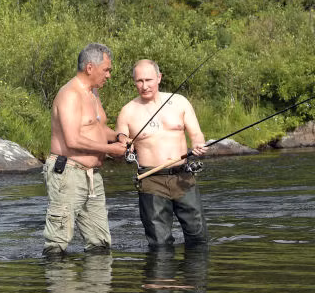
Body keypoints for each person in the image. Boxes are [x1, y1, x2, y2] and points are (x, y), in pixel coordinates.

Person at [43, 43, 129, 255]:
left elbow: (98, 128)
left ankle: (96, 288)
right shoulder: (70, 94)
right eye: (106, 69)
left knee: (100, 243)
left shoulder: (93, 93)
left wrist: (119, 137)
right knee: (57, 243)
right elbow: (73, 140)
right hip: (68, 174)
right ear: (90, 68)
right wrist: (111, 150)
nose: (109, 75)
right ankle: (59, 286)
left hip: (92, 177)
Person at [116, 59, 208, 249]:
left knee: (198, 237)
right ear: (134, 82)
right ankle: (159, 278)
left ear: (159, 78)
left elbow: (196, 133)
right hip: (151, 180)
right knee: (160, 244)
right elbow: (121, 140)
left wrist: (198, 144)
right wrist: (125, 145)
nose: (144, 86)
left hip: (183, 175)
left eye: (148, 80)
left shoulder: (180, 102)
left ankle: (194, 278)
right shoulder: (127, 111)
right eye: (139, 81)